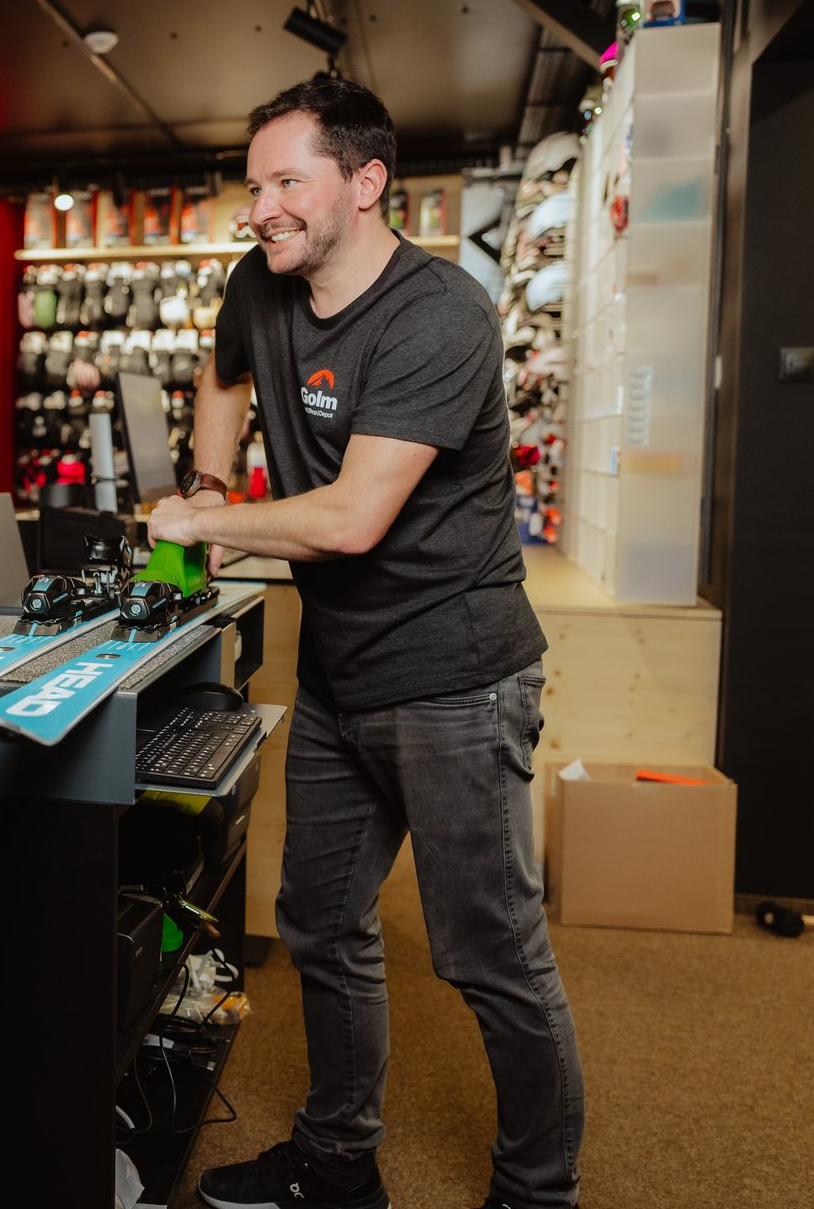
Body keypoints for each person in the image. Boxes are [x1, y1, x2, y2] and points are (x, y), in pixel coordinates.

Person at [147, 78, 584, 1209]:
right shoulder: (262, 281)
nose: (263, 208)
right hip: (342, 671)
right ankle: (339, 1161)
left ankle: (539, 1192)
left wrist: (200, 522)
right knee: (321, 924)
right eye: (255, 185)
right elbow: (223, 370)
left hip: (457, 677)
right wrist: (208, 470)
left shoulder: (440, 315)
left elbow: (349, 519)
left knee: (490, 955)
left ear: (365, 183)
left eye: (289, 182)